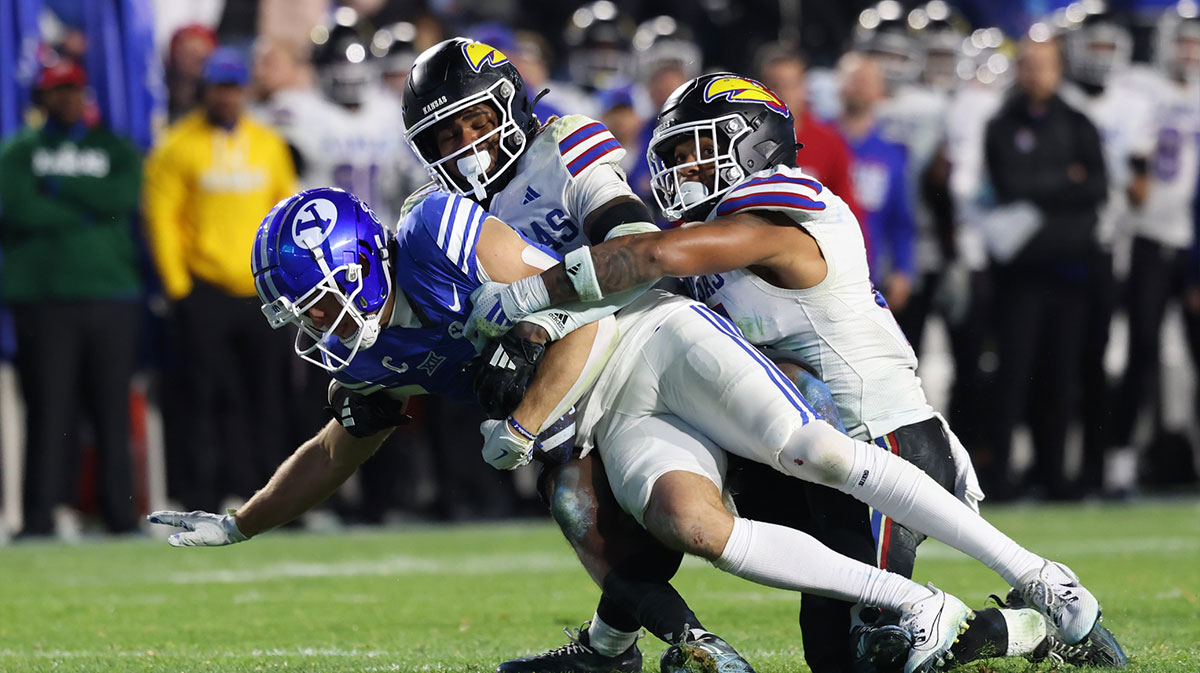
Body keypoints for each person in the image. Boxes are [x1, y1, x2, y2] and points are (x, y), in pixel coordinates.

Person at [467, 72, 1125, 672]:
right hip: (818, 449)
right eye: (671, 155)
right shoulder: (722, 234)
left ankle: (1041, 602)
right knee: (834, 655)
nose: (679, 168)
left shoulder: (781, 214)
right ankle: (1031, 616)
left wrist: (529, 295)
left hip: (884, 439)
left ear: (750, 144)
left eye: (695, 148)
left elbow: (655, 253)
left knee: (875, 653)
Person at [143, 46, 298, 512]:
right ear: (204, 92)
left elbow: (286, 210)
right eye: (219, 89)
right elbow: (161, 218)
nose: (228, 98)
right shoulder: (177, 144)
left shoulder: (268, 142)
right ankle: (203, 493)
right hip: (204, 289)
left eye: (234, 89)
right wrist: (177, 288)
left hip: (263, 291)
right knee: (204, 395)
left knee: (266, 394)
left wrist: (291, 278)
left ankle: (270, 493)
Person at [0, 59, 143, 536]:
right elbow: (17, 207)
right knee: (48, 409)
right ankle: (38, 517)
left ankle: (120, 516)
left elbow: (121, 198)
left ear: (85, 95)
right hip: (43, 297)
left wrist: (59, 189)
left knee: (111, 411)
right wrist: (87, 208)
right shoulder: (20, 150)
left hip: (111, 294)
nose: (66, 98)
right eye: (57, 91)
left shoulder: (114, 148)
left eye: (73, 89)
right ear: (43, 98)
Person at [983, 37, 1108, 500]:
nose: (1036, 72)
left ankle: (1055, 475)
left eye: (1044, 64)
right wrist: (1064, 181)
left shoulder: (1077, 122)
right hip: (1019, 276)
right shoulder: (1001, 123)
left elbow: (1097, 186)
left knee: (1062, 376)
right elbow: (1009, 183)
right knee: (1013, 375)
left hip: (1070, 272)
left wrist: (1043, 188)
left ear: (1059, 69)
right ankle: (999, 479)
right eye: (1029, 64)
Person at [838, 52, 916, 311]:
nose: (860, 88)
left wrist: (903, 269)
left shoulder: (893, 153)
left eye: (867, 81)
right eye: (855, 79)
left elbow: (901, 219)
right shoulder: (818, 141)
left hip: (870, 275)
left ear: (880, 90)